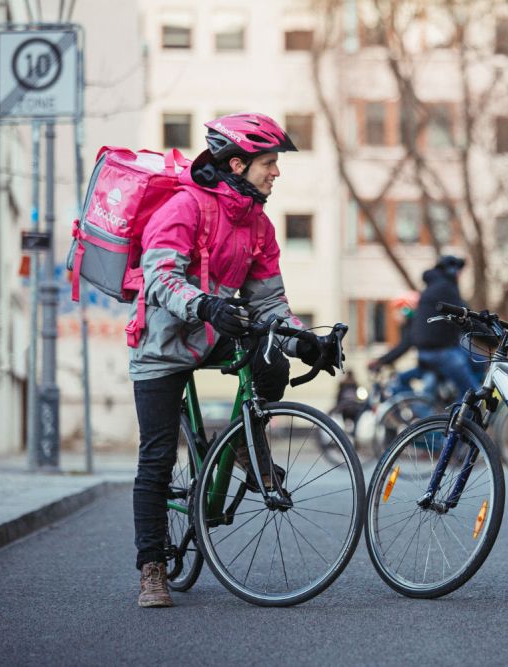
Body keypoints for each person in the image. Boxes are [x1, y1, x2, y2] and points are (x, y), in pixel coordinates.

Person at [129, 113, 337, 608]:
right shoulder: (184, 207)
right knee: (157, 456)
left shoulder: (259, 225)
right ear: (238, 163)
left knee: (272, 357)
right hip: (162, 342)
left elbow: (269, 305)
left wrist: (303, 341)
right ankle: (152, 567)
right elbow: (159, 279)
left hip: (215, 332)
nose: (276, 172)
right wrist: (205, 304)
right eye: (269, 163)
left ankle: (247, 441)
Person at [410, 255, 481, 394]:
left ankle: (446, 404)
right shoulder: (446, 287)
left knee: (477, 360)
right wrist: (494, 335)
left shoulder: (432, 288)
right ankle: (461, 412)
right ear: (451, 271)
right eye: (458, 271)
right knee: (472, 393)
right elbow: (466, 315)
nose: (459, 275)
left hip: (426, 351)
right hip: (441, 351)